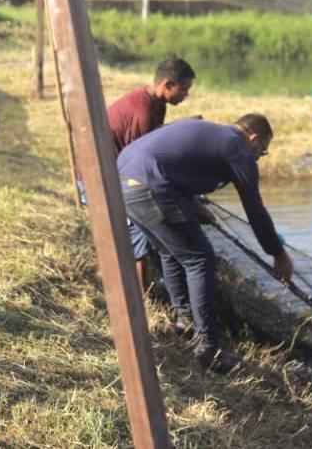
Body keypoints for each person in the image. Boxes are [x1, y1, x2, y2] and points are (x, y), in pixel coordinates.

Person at [117, 114, 293, 373]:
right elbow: (255, 210)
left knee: (171, 251)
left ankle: (185, 323)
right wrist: (278, 254)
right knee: (200, 260)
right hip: (149, 185)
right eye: (262, 151)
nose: (258, 157)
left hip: (122, 181)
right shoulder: (238, 148)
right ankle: (209, 350)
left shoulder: (216, 134)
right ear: (254, 138)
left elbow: (177, 163)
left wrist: (194, 205)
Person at [105, 56, 195, 297]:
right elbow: (139, 163)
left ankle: (147, 283)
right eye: (183, 89)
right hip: (107, 177)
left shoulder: (158, 104)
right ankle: (142, 296)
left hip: (123, 170)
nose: (185, 95)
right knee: (140, 227)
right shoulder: (142, 109)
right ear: (167, 85)